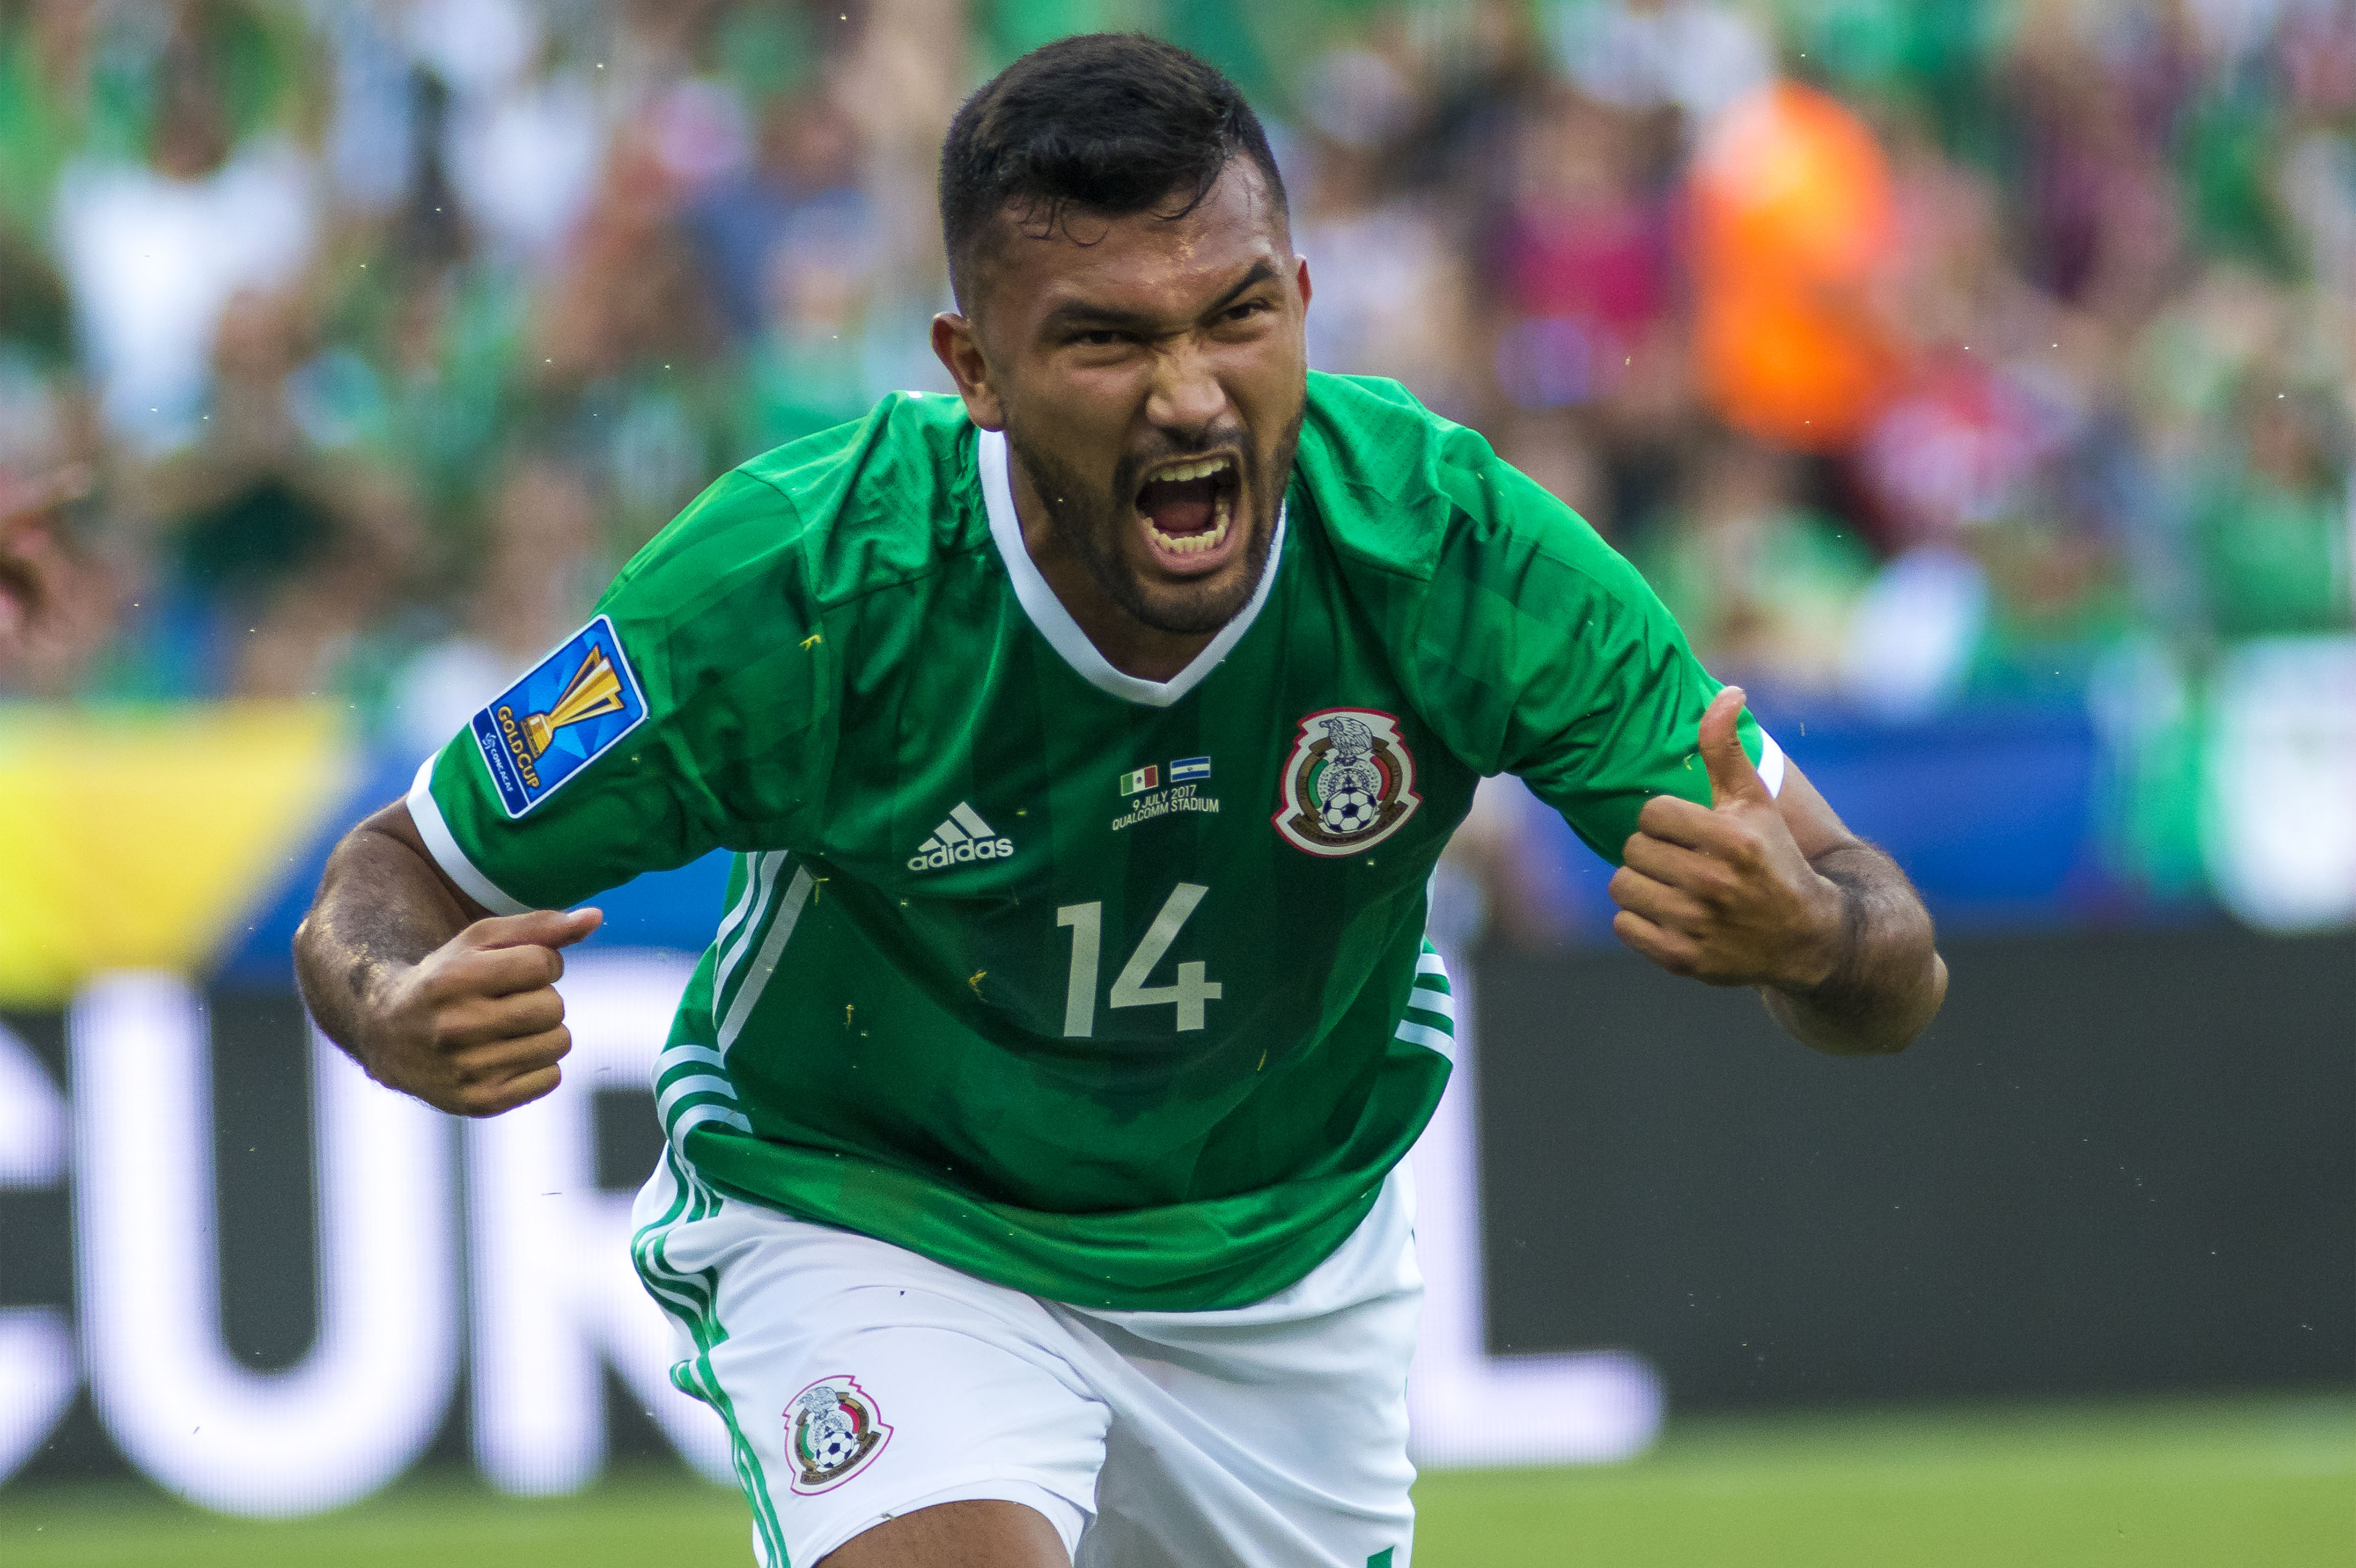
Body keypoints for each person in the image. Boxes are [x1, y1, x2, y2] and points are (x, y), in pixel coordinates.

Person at [295, 35, 1946, 1568]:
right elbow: (397, 871)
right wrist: (393, 1001)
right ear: (975, 367)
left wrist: (1811, 933)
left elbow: (1894, 962)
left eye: (1236, 316)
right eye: (1105, 338)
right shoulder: (793, 588)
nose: (1190, 394)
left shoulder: (1458, 555)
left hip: (1278, 1265)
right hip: (883, 1214)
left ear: (1303, 301)